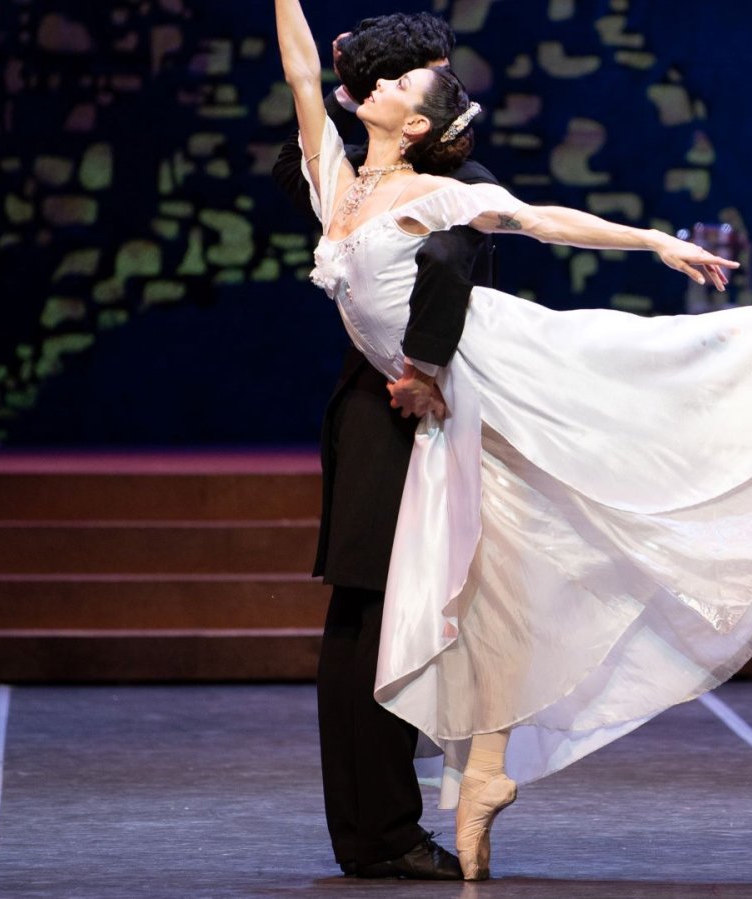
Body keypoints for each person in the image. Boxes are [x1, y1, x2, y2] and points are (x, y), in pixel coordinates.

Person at [273, 0, 752, 881]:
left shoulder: (436, 192)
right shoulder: (335, 181)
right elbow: (303, 72)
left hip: (497, 359)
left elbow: (543, 219)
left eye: (400, 81)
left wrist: (652, 240)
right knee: (507, 554)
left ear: (413, 123)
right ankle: (483, 769)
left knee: (655, 366)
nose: (374, 83)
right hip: (449, 397)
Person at [271, 11, 496, 883]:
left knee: (390, 616)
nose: (425, 83)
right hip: (389, 414)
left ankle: (382, 825)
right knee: (372, 618)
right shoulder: (374, 177)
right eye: (407, 74)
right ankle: (380, 831)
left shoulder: (455, 177)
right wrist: (423, 370)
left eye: (421, 76)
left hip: (410, 408)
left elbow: (454, 258)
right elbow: (304, 134)